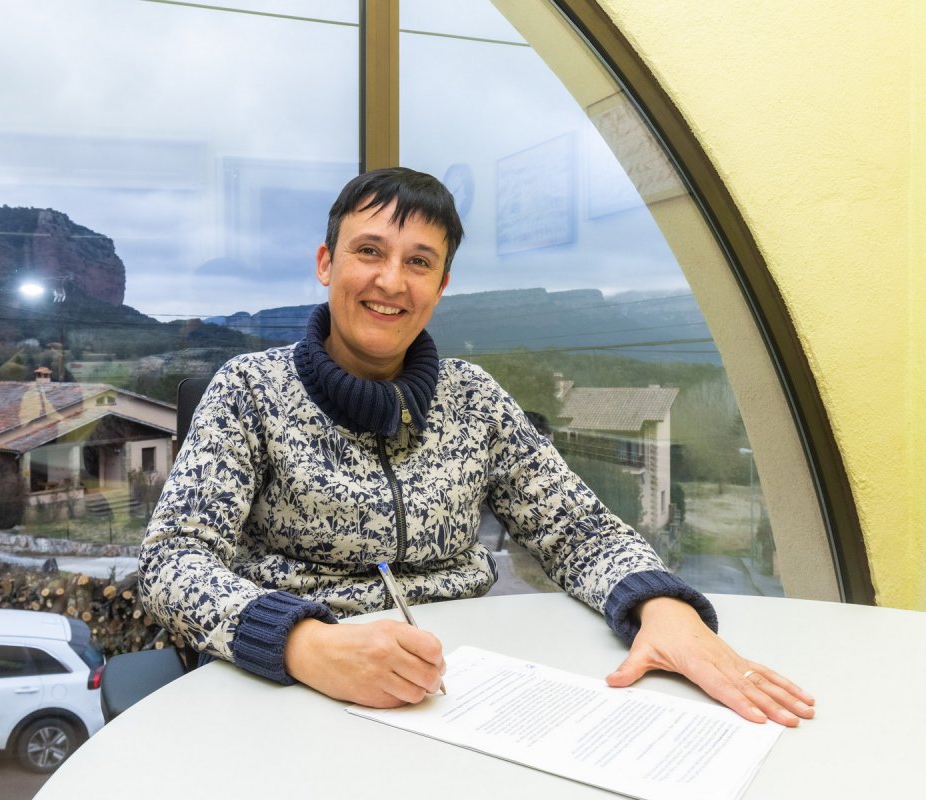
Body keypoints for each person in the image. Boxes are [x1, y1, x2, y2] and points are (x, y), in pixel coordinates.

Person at [139, 167, 814, 726]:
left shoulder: (474, 399)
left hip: (464, 682)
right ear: (326, 263)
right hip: (293, 686)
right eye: (369, 251)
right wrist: (305, 643)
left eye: (419, 262)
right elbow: (172, 561)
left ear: (441, 287)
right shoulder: (249, 390)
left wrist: (661, 607)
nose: (391, 281)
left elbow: (576, 528)